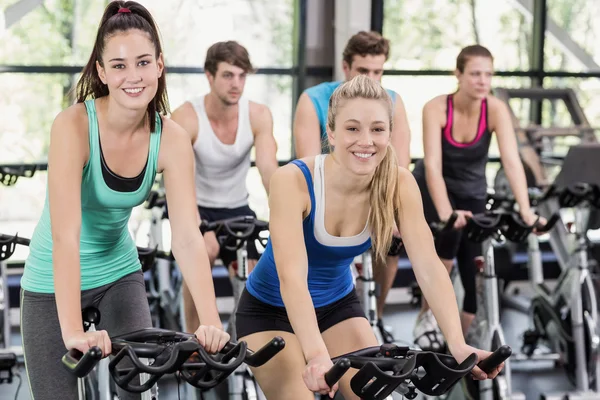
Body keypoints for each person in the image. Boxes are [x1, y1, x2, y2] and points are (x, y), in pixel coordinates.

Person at [235, 75, 503, 399]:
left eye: (377, 129)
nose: (366, 141)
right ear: (331, 133)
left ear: (389, 133)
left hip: (337, 307)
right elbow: (292, 278)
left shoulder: (399, 184)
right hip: (269, 310)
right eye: (352, 128)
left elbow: (429, 267)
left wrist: (458, 344)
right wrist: (317, 353)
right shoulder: (293, 181)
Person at [19, 2, 229, 399]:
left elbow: (186, 235)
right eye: (118, 65)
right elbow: (66, 236)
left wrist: (211, 321)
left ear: (160, 65)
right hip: (51, 280)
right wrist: (72, 332)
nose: (133, 76)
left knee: (139, 389)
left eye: (143, 62)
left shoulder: (171, 137)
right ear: (101, 71)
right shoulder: (73, 126)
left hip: (117, 272)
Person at [411, 44, 545, 351]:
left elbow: (511, 161)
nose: (482, 80)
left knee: (474, 277)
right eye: (474, 73)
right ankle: (426, 316)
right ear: (458, 74)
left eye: (487, 74)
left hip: (471, 193)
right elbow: (432, 165)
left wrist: (526, 211)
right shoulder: (436, 108)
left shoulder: (495, 109)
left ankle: (455, 351)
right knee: (450, 238)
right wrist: (447, 215)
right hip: (433, 189)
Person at [293, 30, 410, 342]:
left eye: (378, 72)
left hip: (374, 200)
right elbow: (308, 167)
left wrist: (393, 217)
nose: (372, 79)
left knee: (391, 244)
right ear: (345, 68)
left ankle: (378, 314)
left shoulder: (394, 102)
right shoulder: (314, 99)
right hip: (327, 201)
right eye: (363, 71)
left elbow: (398, 169)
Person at [170, 40, 278, 333]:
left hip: (237, 207)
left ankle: (242, 337)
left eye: (242, 76)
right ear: (209, 76)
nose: (237, 84)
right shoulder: (186, 117)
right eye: (228, 75)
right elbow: (179, 183)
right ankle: (193, 338)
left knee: (256, 273)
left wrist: (284, 212)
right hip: (197, 204)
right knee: (201, 254)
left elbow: (269, 170)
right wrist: (198, 230)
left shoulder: (258, 115)